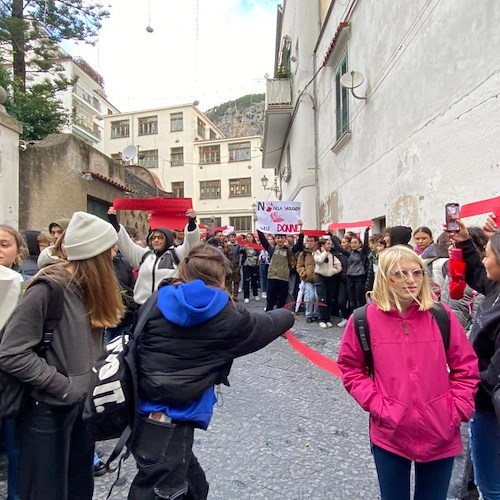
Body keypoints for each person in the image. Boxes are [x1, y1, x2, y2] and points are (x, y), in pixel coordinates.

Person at [128, 243, 295, 499]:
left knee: (194, 487)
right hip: (172, 415)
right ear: (220, 275)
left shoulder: (157, 299)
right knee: (161, 490)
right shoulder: (227, 314)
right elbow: (266, 325)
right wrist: (289, 314)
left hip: (143, 407)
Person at [338, 245, 479, 500]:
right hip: (390, 432)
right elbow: (350, 367)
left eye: (416, 272)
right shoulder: (363, 320)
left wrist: (457, 408)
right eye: (400, 274)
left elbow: (466, 367)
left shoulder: (440, 316)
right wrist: (377, 404)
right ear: (385, 277)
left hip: (441, 430)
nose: (411, 280)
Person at [0, 212, 124, 500]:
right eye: (110, 251)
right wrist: (64, 386)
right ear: (95, 255)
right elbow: (10, 352)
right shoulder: (48, 290)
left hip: (80, 411)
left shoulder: (88, 289)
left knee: (79, 489)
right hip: (45, 412)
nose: (113, 258)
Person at [449, 215, 500, 500]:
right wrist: (465, 241)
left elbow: (495, 374)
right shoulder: (496, 289)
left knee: (491, 488)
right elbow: (477, 276)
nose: (483, 260)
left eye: (488, 255)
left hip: (490, 406)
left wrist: (461, 391)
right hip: (484, 402)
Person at [107, 207, 200, 305]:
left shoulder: (177, 254)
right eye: (153, 238)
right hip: (143, 307)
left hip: (168, 307)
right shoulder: (144, 255)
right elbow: (125, 244)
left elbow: (191, 242)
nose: (156, 240)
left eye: (160, 238)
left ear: (167, 239)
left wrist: (191, 223)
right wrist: (113, 221)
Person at [257, 227, 304, 311]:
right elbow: (263, 240)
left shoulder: (288, 251)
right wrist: (259, 226)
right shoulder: (271, 249)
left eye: (282, 238)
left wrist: (301, 232)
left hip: (283, 278)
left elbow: (299, 245)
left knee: (281, 302)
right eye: (278, 238)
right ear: (275, 239)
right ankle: (269, 318)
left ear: (285, 239)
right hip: (272, 277)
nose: (280, 240)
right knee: (270, 301)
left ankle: (280, 320)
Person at [313, 238, 342, 328]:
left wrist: (334, 270)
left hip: (330, 279)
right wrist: (324, 252)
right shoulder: (316, 253)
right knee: (322, 299)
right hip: (321, 278)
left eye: (330, 244)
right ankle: (321, 319)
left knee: (330, 299)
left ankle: (327, 318)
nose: (330, 246)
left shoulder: (332, 255)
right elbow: (320, 260)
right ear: (322, 245)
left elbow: (339, 265)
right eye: (328, 244)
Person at [296, 235, 319, 323]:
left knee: (317, 297)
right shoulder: (304, 253)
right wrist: (303, 273)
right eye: (307, 241)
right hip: (308, 278)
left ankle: (316, 314)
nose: (309, 243)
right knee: (310, 296)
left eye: (311, 241)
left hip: (318, 278)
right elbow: (299, 265)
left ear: (316, 242)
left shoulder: (319, 251)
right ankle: (309, 314)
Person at [241, 233, 260, 303]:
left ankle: (255, 294)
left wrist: (256, 257)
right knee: (246, 280)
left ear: (253, 238)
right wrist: (244, 249)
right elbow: (240, 252)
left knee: (254, 280)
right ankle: (246, 296)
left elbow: (258, 253)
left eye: (250, 237)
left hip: (254, 264)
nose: (249, 238)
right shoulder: (244, 245)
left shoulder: (255, 245)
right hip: (246, 263)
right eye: (248, 237)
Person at [224, 232, 242, 301]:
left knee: (236, 281)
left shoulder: (238, 246)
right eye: (231, 237)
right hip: (228, 266)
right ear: (229, 238)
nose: (233, 238)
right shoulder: (226, 246)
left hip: (236, 265)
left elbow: (241, 253)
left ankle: (235, 296)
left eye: (234, 237)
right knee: (228, 281)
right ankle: (229, 295)